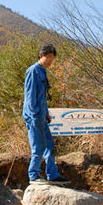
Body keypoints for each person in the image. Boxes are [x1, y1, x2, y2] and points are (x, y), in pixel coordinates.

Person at [23, 44, 70, 185]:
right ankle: (34, 174)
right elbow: (30, 97)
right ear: (41, 55)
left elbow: (42, 96)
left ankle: (52, 174)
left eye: (52, 58)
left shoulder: (43, 71)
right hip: (34, 116)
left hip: (42, 115)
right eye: (48, 57)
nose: (50, 60)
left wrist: (46, 113)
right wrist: (35, 115)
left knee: (49, 144)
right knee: (39, 145)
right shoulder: (32, 71)